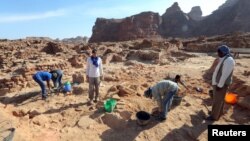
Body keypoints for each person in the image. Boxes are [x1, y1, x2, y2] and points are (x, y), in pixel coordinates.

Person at [206, 45, 235, 121]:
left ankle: (214, 117)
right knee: (219, 100)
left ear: (224, 52)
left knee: (217, 101)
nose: (218, 54)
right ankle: (218, 113)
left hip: (221, 85)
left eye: (219, 52)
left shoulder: (229, 60)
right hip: (218, 83)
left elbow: (224, 75)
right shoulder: (224, 59)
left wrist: (220, 85)